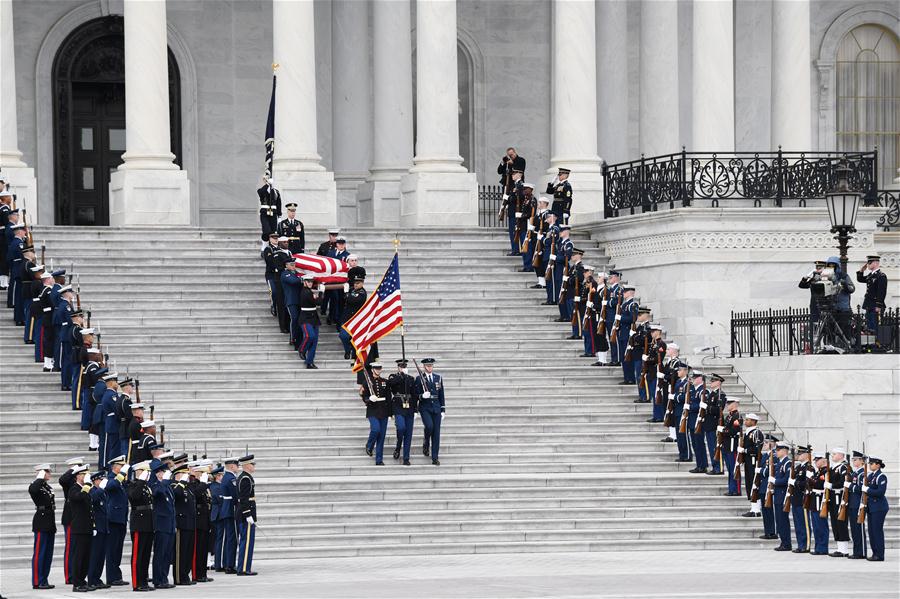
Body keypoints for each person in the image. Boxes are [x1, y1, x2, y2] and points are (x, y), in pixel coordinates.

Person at [127, 461, 155, 592]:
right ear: (139, 472)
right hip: (139, 523)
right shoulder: (133, 484)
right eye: (145, 472)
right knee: (138, 555)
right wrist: (140, 481)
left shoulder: (145, 486)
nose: (148, 474)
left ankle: (143, 580)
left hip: (148, 523)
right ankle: (136, 583)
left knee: (145, 555)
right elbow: (134, 497)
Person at [66, 464, 93, 593]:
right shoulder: (74, 489)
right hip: (79, 528)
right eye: (83, 474)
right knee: (78, 556)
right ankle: (76, 583)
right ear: (78, 476)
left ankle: (82, 580)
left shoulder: (86, 489)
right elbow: (79, 497)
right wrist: (87, 486)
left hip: (87, 527)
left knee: (86, 556)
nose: (85, 476)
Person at [29, 463, 56, 590]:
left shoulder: (46, 486)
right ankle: (37, 581)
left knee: (48, 553)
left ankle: (44, 579)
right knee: (40, 552)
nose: (49, 473)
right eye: (47, 471)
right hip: (41, 521)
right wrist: (39, 477)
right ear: (41, 473)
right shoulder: (35, 486)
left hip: (49, 521)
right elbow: (33, 490)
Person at [104, 456, 130, 587]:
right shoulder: (109, 478)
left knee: (118, 549)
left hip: (121, 518)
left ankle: (116, 575)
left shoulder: (120, 480)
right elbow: (111, 486)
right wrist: (122, 474)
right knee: (112, 549)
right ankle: (111, 576)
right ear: (115, 467)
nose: (122, 468)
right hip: (113, 519)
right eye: (121, 465)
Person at [150, 460, 175, 589]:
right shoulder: (155, 485)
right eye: (162, 472)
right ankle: (158, 579)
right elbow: (156, 493)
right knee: (160, 553)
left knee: (167, 554)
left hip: (169, 525)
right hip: (161, 525)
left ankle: (164, 578)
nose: (164, 474)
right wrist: (164, 481)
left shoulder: (167, 486)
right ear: (158, 474)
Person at [416, 358, 445, 466]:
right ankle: (426, 441)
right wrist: (422, 396)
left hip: (436, 407)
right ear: (424, 367)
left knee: (436, 433)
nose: (430, 367)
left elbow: (441, 394)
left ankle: (435, 457)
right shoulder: (419, 379)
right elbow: (415, 395)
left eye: (431, 365)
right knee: (429, 426)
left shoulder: (438, 378)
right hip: (425, 407)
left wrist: (443, 409)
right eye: (428, 366)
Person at [389, 359, 419, 466]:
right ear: (398, 367)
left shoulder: (411, 378)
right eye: (401, 366)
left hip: (409, 407)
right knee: (401, 428)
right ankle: (398, 446)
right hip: (398, 406)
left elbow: (415, 395)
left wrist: (416, 409)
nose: (403, 368)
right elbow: (391, 384)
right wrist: (401, 375)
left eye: (404, 366)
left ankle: (406, 458)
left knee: (408, 434)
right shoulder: (393, 376)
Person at [361, 363, 391, 465]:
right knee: (375, 429)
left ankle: (379, 460)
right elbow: (364, 396)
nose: (378, 370)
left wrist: (390, 413)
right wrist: (369, 399)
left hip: (384, 410)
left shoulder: (385, 382)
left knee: (381, 436)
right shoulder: (367, 382)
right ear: (372, 369)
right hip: (372, 410)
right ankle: (369, 445)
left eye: (380, 368)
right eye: (376, 368)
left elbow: (389, 398)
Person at [172, 463, 196, 586]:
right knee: (180, 552)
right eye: (184, 474)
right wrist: (181, 482)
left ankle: (185, 575)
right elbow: (176, 494)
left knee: (187, 551)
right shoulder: (175, 485)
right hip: (181, 523)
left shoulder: (187, 487)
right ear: (178, 475)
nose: (187, 476)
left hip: (190, 523)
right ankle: (179, 577)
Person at [190, 463, 214, 583]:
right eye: (205, 474)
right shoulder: (194, 485)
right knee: (197, 550)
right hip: (198, 521)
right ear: (199, 474)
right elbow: (194, 496)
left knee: (204, 549)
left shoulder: (204, 486)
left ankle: (202, 573)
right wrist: (203, 484)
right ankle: (196, 574)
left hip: (205, 520)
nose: (207, 476)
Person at [87, 471, 110, 590]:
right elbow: (93, 500)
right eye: (101, 480)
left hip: (104, 527)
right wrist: (100, 488)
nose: (103, 482)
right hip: (96, 528)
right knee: (95, 555)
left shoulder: (103, 492)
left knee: (101, 556)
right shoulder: (93, 491)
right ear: (95, 480)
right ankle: (91, 579)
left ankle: (97, 578)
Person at [236, 455, 257, 576]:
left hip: (245, 513)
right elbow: (243, 499)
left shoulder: (245, 477)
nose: (253, 466)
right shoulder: (245, 479)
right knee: (247, 542)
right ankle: (243, 568)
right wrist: (248, 514)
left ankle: (244, 567)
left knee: (247, 541)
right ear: (247, 465)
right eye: (252, 464)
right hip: (246, 515)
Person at [864, 456, 888, 562]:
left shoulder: (881, 476)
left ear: (878, 465)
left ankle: (880, 555)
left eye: (872, 463)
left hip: (879, 507)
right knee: (871, 531)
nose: (870, 465)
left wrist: (867, 489)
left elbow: (880, 492)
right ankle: (875, 553)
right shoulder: (870, 476)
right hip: (871, 507)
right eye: (870, 464)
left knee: (877, 531)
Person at [790, 445, 814, 553]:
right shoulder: (798, 467)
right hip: (795, 499)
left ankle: (806, 545)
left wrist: (795, 482)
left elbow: (808, 483)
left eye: (800, 454)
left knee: (804, 524)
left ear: (806, 455)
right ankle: (800, 544)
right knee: (798, 524)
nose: (798, 456)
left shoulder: (809, 468)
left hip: (803, 498)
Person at [828, 448, 851, 557]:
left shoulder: (843, 467)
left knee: (841, 523)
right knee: (835, 523)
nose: (832, 455)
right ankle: (839, 548)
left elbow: (843, 482)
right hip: (833, 498)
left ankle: (844, 549)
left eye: (834, 454)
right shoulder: (834, 467)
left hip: (839, 497)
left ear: (841, 455)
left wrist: (831, 485)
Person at [740, 413, 764, 516]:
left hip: (754, 462)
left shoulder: (756, 433)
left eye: (748, 420)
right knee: (750, 484)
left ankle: (756, 509)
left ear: (754, 421)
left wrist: (745, 450)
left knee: (754, 484)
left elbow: (757, 449)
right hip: (748, 462)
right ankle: (753, 508)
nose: (745, 422)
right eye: (746, 420)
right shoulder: (748, 432)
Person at [339, 272, 367, 360]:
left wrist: (347, 293)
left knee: (354, 339)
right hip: (347, 318)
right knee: (343, 336)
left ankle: (353, 354)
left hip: (356, 319)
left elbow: (352, 299)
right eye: (355, 283)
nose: (355, 285)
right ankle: (348, 351)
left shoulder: (362, 293)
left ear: (362, 283)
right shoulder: (352, 290)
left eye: (358, 283)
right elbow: (344, 298)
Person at [219, 457, 240, 574]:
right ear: (232, 466)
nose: (238, 467)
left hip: (226, 509)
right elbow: (236, 495)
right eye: (237, 465)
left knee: (229, 538)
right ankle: (230, 565)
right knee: (232, 538)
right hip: (231, 510)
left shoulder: (226, 477)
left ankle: (227, 563)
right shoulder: (231, 478)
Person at [856, 255, 887, 334]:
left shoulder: (881, 276)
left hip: (875, 305)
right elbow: (860, 279)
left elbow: (881, 292)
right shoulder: (871, 275)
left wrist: (878, 305)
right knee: (869, 326)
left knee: (875, 326)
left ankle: (877, 344)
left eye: (870, 263)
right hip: (869, 304)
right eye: (868, 263)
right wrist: (861, 271)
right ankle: (871, 344)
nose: (868, 265)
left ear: (876, 263)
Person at [702, 373, 726, 475]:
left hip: (715, 424)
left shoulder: (721, 395)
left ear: (718, 382)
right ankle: (714, 466)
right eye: (711, 381)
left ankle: (718, 468)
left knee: (716, 447)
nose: (711, 383)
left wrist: (707, 407)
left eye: (713, 381)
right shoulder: (711, 394)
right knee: (711, 447)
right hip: (708, 424)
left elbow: (718, 410)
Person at [808, 452, 831, 555]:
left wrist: (811, 480)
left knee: (821, 525)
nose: (816, 462)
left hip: (820, 500)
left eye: (818, 460)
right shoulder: (819, 472)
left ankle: (823, 548)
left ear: (823, 460)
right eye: (815, 460)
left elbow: (818, 484)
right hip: (814, 500)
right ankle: (818, 547)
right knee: (816, 525)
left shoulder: (826, 471)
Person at [772, 442, 793, 551]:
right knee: (779, 521)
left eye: (779, 449)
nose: (777, 451)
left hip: (783, 495)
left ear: (785, 450)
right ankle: (783, 541)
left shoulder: (787, 463)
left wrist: (775, 481)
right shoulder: (780, 463)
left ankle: (787, 543)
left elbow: (786, 480)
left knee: (783, 520)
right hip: (777, 495)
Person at [298, 274, 322, 368]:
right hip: (305, 317)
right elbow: (318, 302)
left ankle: (309, 362)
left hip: (314, 318)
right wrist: (321, 293)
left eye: (311, 282)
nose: (310, 283)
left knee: (314, 342)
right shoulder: (306, 292)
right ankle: (302, 349)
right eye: (308, 282)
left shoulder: (310, 291)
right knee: (310, 336)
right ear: (304, 282)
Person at [847, 451, 867, 559]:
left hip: (858, 504)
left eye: (855, 459)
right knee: (854, 529)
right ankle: (856, 551)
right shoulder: (855, 473)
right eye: (853, 460)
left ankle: (862, 552)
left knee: (859, 528)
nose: (854, 461)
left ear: (861, 461)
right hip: (852, 504)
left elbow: (861, 489)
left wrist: (850, 486)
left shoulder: (862, 473)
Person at [671, 361, 691, 463]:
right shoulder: (678, 382)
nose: (678, 372)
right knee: (679, 435)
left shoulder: (687, 383)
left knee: (684, 434)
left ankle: (687, 455)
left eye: (679, 370)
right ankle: (682, 454)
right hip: (677, 411)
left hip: (683, 411)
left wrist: (675, 397)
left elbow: (685, 397)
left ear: (685, 371)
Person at [281, 259, 304, 351]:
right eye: (291, 264)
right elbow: (293, 281)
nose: (294, 265)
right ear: (286, 265)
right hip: (291, 301)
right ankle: (293, 337)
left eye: (294, 264)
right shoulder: (285, 274)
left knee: (299, 320)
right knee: (294, 318)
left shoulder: (296, 273)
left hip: (299, 300)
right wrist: (302, 278)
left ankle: (298, 337)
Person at [721, 399, 742, 496]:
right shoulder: (729, 416)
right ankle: (731, 489)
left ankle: (736, 490)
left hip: (732, 446)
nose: (727, 405)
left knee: (734, 468)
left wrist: (723, 431)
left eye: (729, 403)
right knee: (730, 469)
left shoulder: (737, 416)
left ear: (735, 404)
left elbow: (733, 431)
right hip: (727, 445)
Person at [257, 177, 282, 243]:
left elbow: (279, 204)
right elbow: (262, 192)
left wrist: (279, 215)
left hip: (273, 213)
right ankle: (264, 245)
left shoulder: (276, 191)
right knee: (266, 231)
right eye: (265, 180)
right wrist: (267, 184)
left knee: (273, 232)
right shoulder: (261, 190)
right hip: (264, 213)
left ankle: (272, 246)